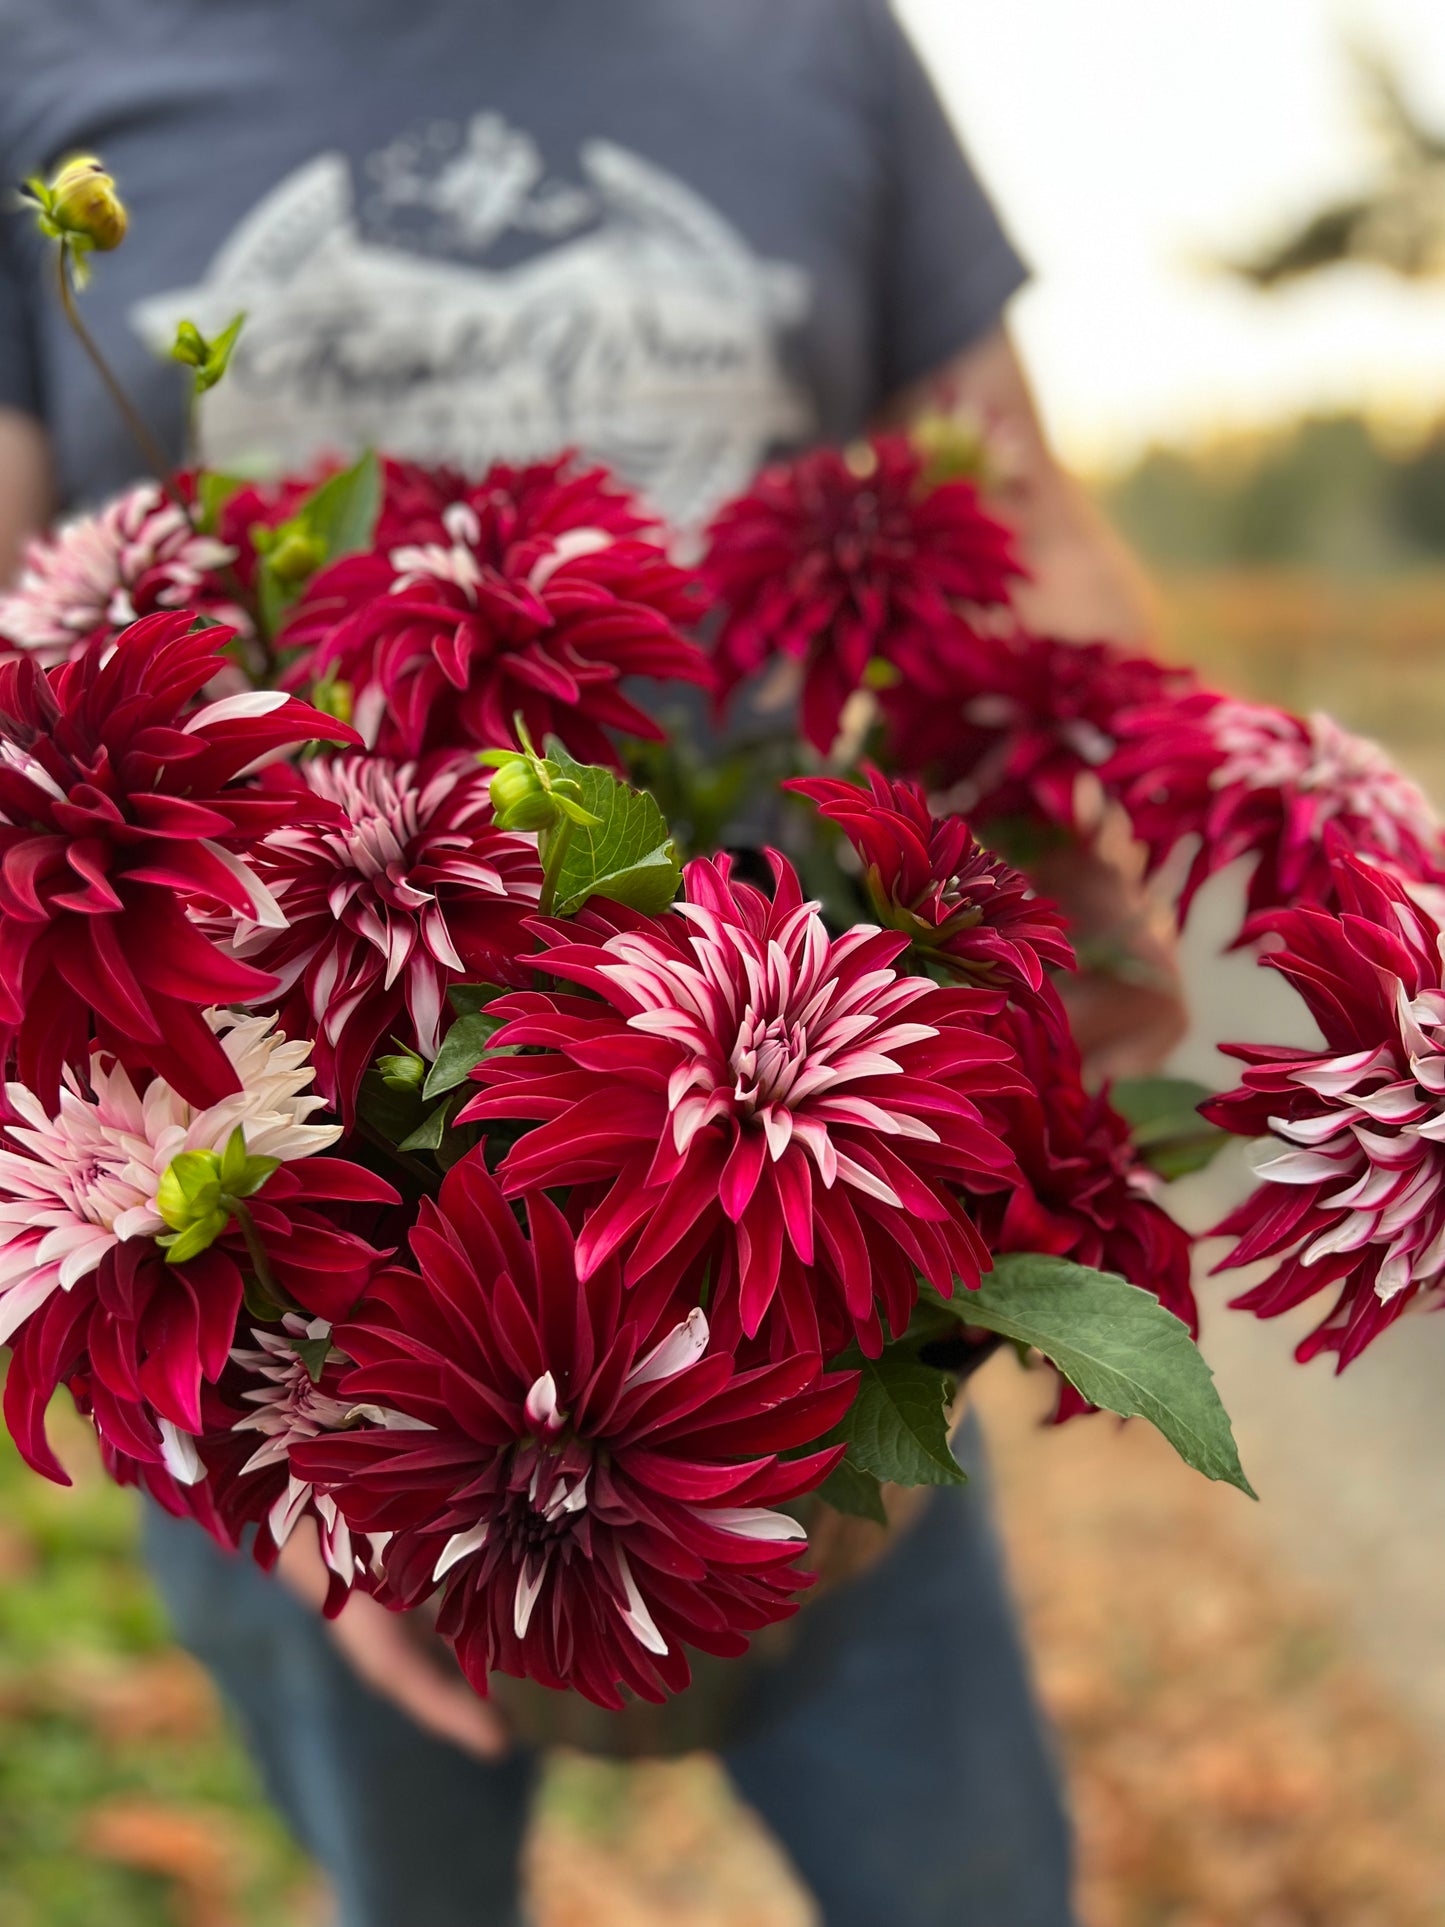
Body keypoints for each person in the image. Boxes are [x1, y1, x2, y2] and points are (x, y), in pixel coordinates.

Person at [0, 6, 1175, 1923]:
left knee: (965, 1876)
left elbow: (1009, 495)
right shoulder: (44, 50)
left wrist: (1111, 790)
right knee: (410, 1887)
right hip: (272, 1226)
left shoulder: (813, 38)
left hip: (801, 1161)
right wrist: (292, 1445)